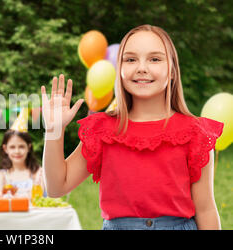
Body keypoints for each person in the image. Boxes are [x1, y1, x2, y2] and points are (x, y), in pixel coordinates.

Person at [41, 24, 223, 230]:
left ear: (172, 70)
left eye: (154, 59)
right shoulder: (102, 130)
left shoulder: (195, 133)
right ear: (120, 70)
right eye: (130, 59)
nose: (142, 68)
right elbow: (57, 187)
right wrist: (54, 130)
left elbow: (206, 208)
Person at [0, 108, 46, 198]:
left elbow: (38, 196)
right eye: (12, 147)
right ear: (5, 149)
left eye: (21, 147)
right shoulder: (1, 176)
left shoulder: (37, 173)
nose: (17, 151)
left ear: (28, 148)